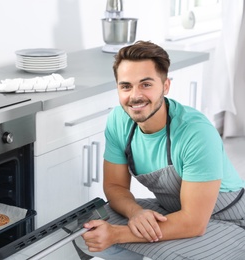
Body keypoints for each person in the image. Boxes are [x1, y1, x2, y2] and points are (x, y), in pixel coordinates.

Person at [75, 41, 245, 260]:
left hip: (228, 220)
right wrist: (136, 213)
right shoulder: (119, 120)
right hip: (173, 211)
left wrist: (117, 234)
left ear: (165, 86)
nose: (135, 96)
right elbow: (115, 186)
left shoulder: (195, 132)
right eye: (126, 86)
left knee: (165, 253)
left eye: (146, 84)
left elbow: (194, 222)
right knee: (87, 226)